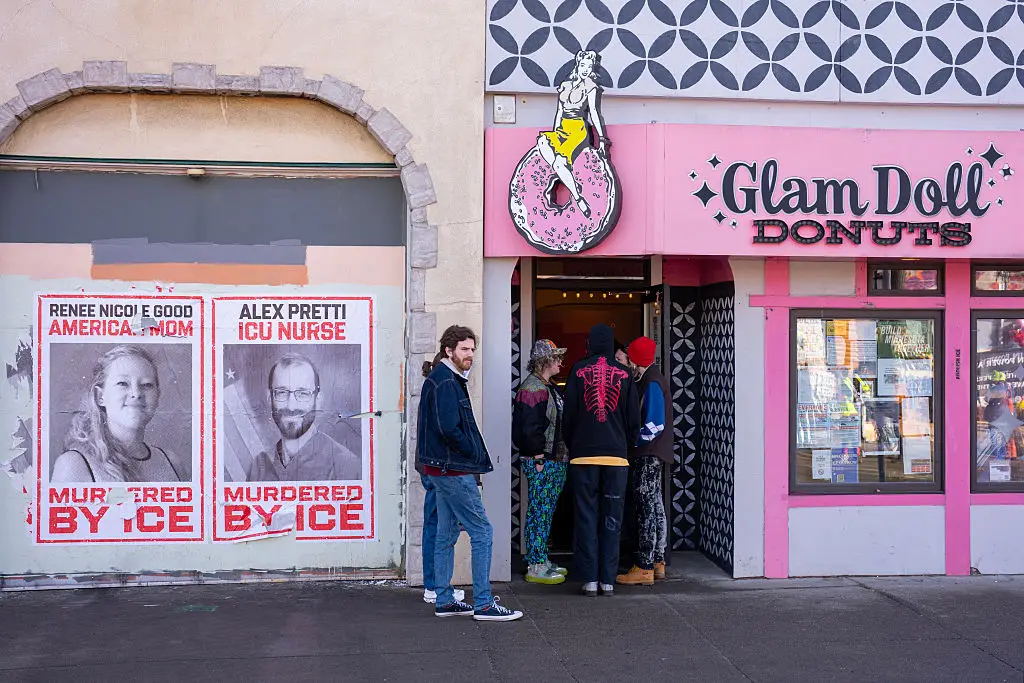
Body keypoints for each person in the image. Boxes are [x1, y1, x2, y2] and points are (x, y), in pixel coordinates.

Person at [418, 325, 523, 622]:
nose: (470, 354)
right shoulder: (446, 381)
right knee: (482, 532)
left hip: (442, 468)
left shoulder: (443, 378)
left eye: (473, 349)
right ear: (449, 350)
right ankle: (485, 604)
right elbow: (449, 429)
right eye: (464, 349)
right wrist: (473, 453)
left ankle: (444, 599)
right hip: (452, 469)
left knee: (446, 533)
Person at [563, 323, 641, 597]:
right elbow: (634, 419)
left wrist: (574, 444)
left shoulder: (578, 370)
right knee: (612, 518)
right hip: (616, 458)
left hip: (583, 456)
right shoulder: (625, 374)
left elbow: (568, 416)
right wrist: (625, 445)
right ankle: (607, 580)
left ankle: (589, 579)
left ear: (591, 343)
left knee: (586, 517)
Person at [53, 345, 184, 483]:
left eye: (147, 385)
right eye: (123, 383)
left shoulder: (172, 463)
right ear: (100, 396)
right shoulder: (75, 465)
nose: (136, 393)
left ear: (157, 396)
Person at [246, 353, 360, 481]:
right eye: (281, 392)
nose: (291, 406)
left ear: (318, 400)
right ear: (270, 398)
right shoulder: (259, 467)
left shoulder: (346, 466)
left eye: (303, 393)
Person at [617, 337, 674, 586]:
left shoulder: (651, 382)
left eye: (629, 359)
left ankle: (644, 566)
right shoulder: (654, 378)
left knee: (646, 509)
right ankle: (658, 562)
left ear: (636, 360)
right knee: (656, 506)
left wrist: (633, 442)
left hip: (647, 454)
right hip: (655, 453)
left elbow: (654, 424)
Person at [512, 339, 570, 585]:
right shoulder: (533, 388)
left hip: (551, 460)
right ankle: (536, 564)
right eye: (556, 358)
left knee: (544, 511)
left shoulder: (545, 386)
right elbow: (528, 428)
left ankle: (540, 559)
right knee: (540, 511)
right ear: (544, 361)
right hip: (543, 460)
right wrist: (537, 455)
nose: (560, 362)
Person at [532, 50, 610, 218]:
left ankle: (578, 197)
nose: (585, 69)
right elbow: (559, 112)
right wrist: (555, 132)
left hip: (577, 129)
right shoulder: (565, 85)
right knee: (543, 142)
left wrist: (602, 138)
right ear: (577, 65)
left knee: (560, 162)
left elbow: (594, 112)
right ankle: (563, 174)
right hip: (563, 128)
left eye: (589, 66)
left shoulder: (590, 86)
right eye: (583, 65)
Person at [418, 469, 464, 604]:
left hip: (432, 465)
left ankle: (434, 586)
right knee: (439, 526)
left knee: (434, 524)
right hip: (439, 466)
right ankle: (436, 587)